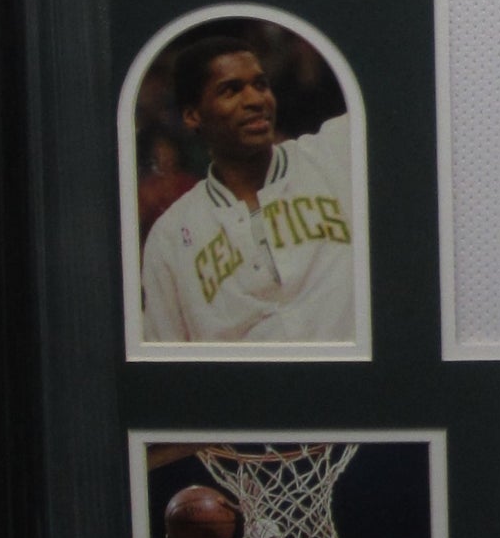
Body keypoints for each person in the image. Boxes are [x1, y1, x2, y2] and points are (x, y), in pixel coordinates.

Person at [140, 31, 356, 342]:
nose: (255, 100)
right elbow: (166, 356)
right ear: (192, 115)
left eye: (261, 85)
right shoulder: (169, 239)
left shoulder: (335, 150)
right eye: (231, 90)